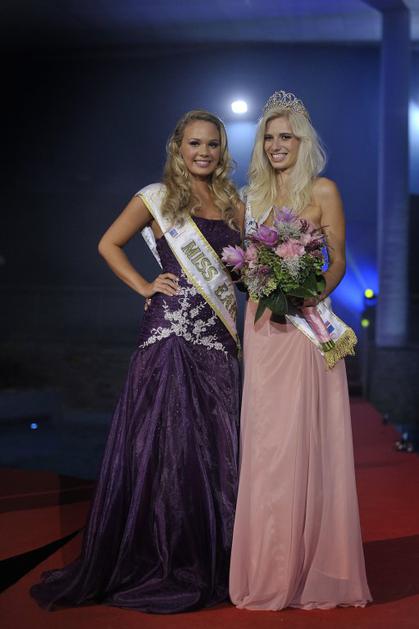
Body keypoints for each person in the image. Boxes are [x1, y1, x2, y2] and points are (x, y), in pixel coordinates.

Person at [31, 110, 244, 614]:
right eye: (194, 143)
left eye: (212, 144)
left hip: (217, 336)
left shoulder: (235, 205)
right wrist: (145, 286)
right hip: (170, 334)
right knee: (164, 443)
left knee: (213, 447)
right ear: (179, 147)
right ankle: (159, 556)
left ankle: (210, 554)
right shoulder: (157, 197)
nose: (203, 152)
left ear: (222, 151)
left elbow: (238, 274)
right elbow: (108, 244)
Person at [229, 91, 372, 610]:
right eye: (269, 137)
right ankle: (268, 564)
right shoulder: (249, 197)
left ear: (302, 141)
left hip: (307, 326)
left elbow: (338, 260)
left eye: (285, 136)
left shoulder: (323, 190)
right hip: (264, 328)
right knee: (266, 443)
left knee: (304, 439)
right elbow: (237, 262)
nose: (276, 145)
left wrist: (314, 292)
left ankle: (310, 565)